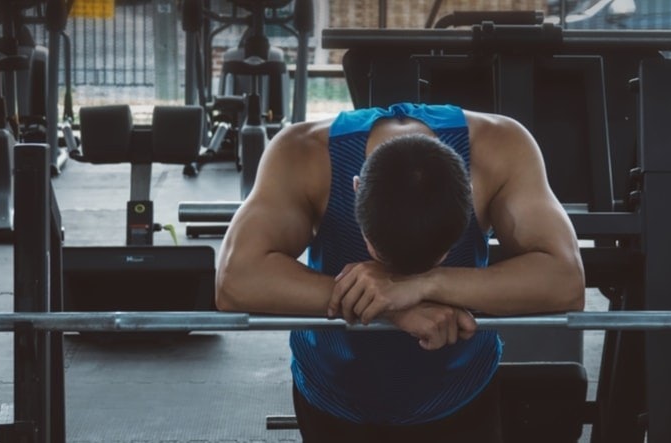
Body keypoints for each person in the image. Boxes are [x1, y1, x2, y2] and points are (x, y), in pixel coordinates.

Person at [215, 102, 585, 442]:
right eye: (383, 261)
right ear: (355, 189)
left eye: (436, 260)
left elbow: (564, 280)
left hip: (460, 391)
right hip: (334, 393)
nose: (401, 278)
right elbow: (235, 279)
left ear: (469, 195)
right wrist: (393, 306)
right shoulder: (302, 154)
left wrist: (423, 285)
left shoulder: (502, 147)